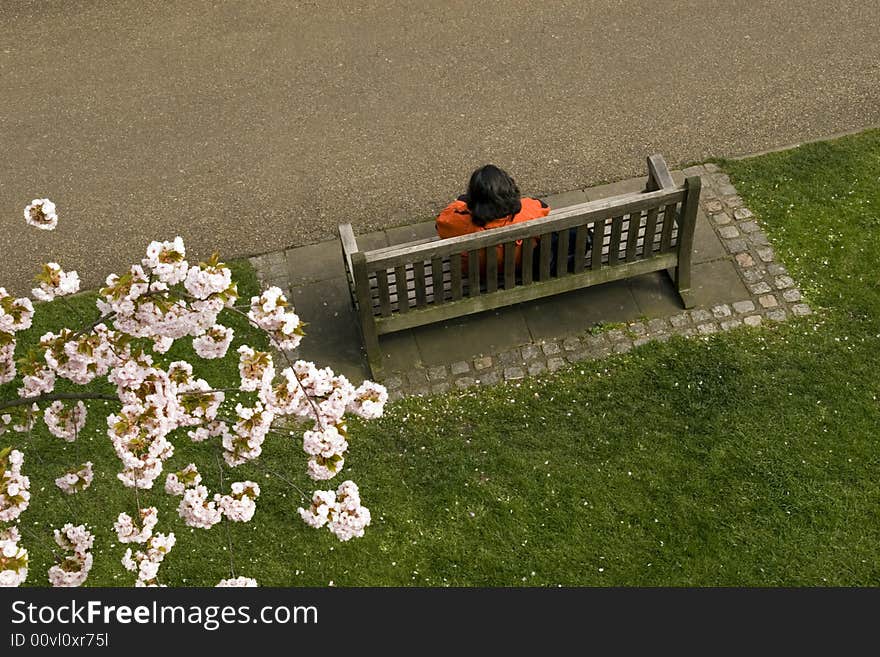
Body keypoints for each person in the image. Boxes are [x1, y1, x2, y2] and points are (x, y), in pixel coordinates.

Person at [435, 164, 551, 276]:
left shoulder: (460, 221)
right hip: (519, 265)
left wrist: (464, 203)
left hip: (475, 273)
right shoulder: (527, 212)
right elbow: (544, 207)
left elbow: (440, 223)